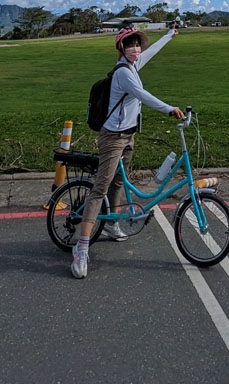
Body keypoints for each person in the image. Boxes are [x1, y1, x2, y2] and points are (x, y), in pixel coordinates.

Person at [71, 24, 184, 279]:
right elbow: (141, 94)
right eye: (130, 44)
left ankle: (111, 224)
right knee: (101, 187)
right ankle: (81, 247)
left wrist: (169, 35)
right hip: (113, 137)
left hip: (129, 133)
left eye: (137, 44)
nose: (136, 48)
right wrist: (169, 109)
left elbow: (151, 53)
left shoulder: (133, 64)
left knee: (120, 181)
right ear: (121, 48)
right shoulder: (124, 73)